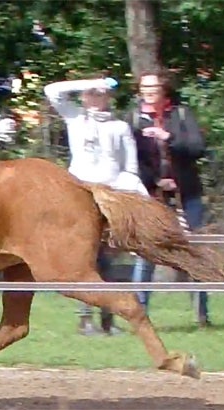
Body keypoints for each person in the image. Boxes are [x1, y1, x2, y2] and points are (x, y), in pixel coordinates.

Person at [44, 75, 146, 335]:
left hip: (110, 198)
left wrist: (130, 197)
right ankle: (84, 318)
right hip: (80, 197)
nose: (95, 98)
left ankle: (108, 319)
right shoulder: (76, 118)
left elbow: (130, 168)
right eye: (90, 94)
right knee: (84, 259)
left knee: (109, 263)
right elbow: (52, 90)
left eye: (99, 94)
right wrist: (88, 82)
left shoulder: (119, 127)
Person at [127, 69, 210, 327]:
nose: (149, 93)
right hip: (152, 196)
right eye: (144, 88)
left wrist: (169, 138)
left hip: (187, 194)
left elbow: (197, 148)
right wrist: (154, 181)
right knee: (146, 253)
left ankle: (201, 314)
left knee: (194, 253)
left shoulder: (180, 115)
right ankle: (139, 314)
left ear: (164, 90)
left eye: (153, 88)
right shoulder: (132, 118)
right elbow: (131, 159)